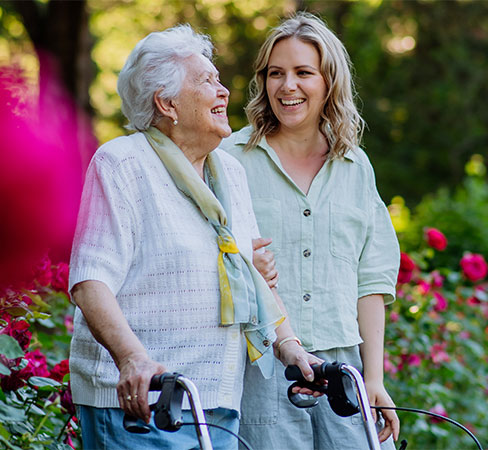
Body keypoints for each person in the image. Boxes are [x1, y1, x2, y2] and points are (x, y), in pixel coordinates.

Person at [67, 24, 320, 450]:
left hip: (215, 403)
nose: (224, 92)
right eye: (207, 81)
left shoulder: (229, 173)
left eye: (219, 80)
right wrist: (133, 358)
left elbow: (251, 278)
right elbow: (90, 281)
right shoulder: (123, 164)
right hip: (141, 404)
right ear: (167, 103)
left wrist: (291, 347)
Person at [221, 12, 401, 449]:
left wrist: (373, 379)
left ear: (329, 82)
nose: (288, 86)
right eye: (276, 73)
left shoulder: (356, 167)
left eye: (304, 72)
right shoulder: (229, 160)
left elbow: (371, 280)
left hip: (343, 370)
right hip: (262, 366)